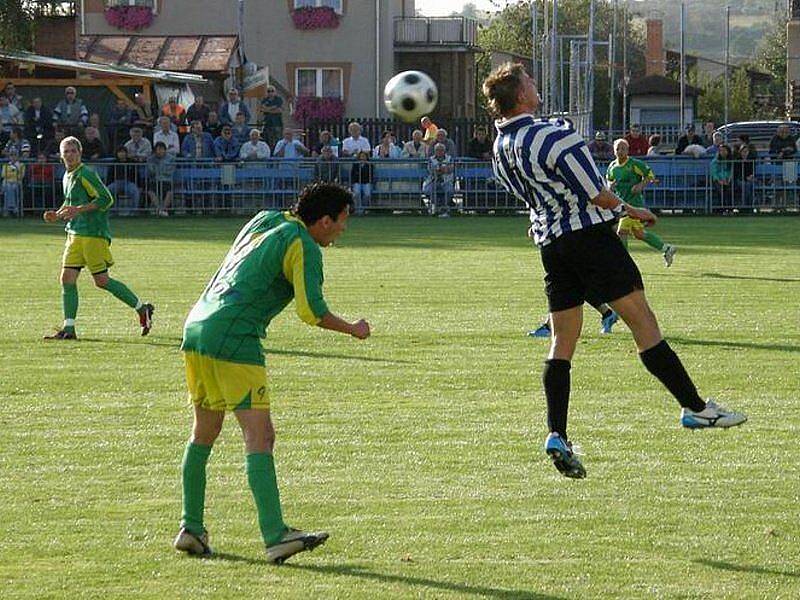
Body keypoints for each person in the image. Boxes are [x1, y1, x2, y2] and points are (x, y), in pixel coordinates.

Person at [482, 63, 746, 479]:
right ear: (520, 95)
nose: (536, 85)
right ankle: (695, 409)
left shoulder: (501, 148)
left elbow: (527, 196)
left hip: (550, 246)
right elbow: (597, 193)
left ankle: (557, 433)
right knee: (644, 323)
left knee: (562, 340)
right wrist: (633, 209)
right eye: (530, 81)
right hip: (589, 238)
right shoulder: (553, 134)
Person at [174, 183, 370, 563]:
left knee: (204, 432)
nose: (343, 230)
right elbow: (310, 311)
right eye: (342, 222)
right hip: (235, 336)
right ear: (324, 220)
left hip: (197, 326)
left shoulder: (264, 219)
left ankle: (191, 527)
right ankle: (275, 534)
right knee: (260, 435)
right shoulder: (304, 245)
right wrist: (353, 329)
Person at [42, 136, 154, 340]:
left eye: (73, 150)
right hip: (75, 234)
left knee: (101, 281)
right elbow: (70, 204)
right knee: (67, 278)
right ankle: (69, 329)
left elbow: (106, 198)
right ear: (60, 155)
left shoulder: (86, 173)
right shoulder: (68, 175)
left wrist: (79, 210)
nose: (70, 154)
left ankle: (141, 308)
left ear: (80, 153)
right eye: (66, 151)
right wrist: (56, 215)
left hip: (92, 234)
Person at [607, 139, 676, 266]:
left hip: (634, 205)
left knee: (621, 231)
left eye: (623, 149)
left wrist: (641, 185)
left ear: (627, 150)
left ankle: (624, 263)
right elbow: (609, 181)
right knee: (639, 234)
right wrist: (611, 186)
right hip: (622, 204)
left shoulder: (634, 164)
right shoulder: (612, 167)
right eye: (617, 149)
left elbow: (650, 174)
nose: (620, 151)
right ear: (614, 150)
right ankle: (666, 248)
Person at [106, 147, 141, 216]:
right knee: (108, 191)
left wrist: (139, 185)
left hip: (129, 183)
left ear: (126, 153)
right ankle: (113, 211)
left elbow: (137, 174)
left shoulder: (131, 162)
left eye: (123, 152)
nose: (122, 154)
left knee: (135, 191)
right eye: (120, 152)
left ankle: (133, 212)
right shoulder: (113, 163)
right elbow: (109, 176)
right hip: (116, 182)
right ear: (117, 154)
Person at [423, 143, 455, 217]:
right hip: (433, 181)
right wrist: (443, 169)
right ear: (434, 151)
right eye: (437, 150)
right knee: (427, 190)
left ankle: (443, 207)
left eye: (441, 150)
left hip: (446, 181)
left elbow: (451, 169)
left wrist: (440, 169)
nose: (439, 152)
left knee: (449, 190)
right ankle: (439, 207)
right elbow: (431, 170)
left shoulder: (449, 158)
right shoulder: (431, 159)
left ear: (444, 151)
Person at [147, 142, 175, 217]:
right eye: (158, 149)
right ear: (155, 150)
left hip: (166, 180)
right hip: (155, 180)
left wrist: (159, 170)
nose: (160, 151)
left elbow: (170, 171)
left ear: (165, 150)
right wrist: (158, 170)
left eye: (162, 149)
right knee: (150, 191)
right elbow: (151, 171)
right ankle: (159, 209)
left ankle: (163, 209)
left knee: (170, 192)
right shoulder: (150, 159)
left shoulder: (171, 158)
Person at [2, 147, 25, 217]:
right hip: (6, 182)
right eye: (11, 155)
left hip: (17, 182)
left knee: (12, 187)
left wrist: (11, 174)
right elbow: (3, 175)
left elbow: (21, 176)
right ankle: (14, 208)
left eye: (15, 155)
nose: (13, 157)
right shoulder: (5, 165)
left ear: (18, 156)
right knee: (8, 187)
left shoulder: (21, 165)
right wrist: (14, 173)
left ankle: (7, 209)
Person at [711, 144, 733, 209]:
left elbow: (731, 171)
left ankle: (729, 208)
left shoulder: (731, 161)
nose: (722, 152)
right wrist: (720, 181)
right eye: (721, 151)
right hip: (717, 180)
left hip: (728, 180)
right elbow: (714, 173)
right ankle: (721, 208)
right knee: (720, 190)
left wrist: (729, 179)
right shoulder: (715, 161)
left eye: (724, 150)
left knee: (730, 189)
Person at [733, 143, 755, 208]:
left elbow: (752, 171)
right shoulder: (737, 161)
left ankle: (748, 206)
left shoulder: (751, 161)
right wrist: (746, 178)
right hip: (739, 179)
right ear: (740, 152)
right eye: (743, 151)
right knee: (746, 186)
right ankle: (746, 206)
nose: (745, 153)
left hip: (748, 179)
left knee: (749, 185)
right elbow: (737, 173)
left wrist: (751, 176)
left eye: (746, 151)